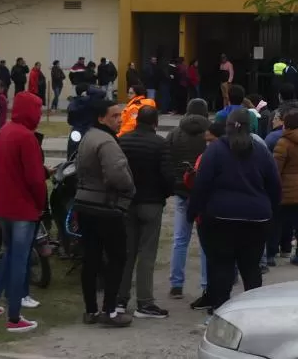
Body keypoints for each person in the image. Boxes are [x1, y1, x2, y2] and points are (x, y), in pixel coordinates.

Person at [187, 109, 280, 316]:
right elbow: (275, 185)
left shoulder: (215, 150)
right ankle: (255, 311)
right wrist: (272, 212)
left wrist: (193, 212)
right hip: (257, 217)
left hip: (220, 218)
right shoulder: (261, 150)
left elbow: (201, 184)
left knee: (222, 266)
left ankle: (221, 311)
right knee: (251, 267)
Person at [0, 91, 46, 333]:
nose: (39, 115)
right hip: (22, 208)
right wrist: (40, 204)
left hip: (3, 206)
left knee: (9, 256)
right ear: (31, 111)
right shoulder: (26, 137)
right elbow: (35, 180)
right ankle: (15, 317)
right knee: (19, 260)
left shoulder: (5, 132)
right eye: (37, 110)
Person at [74, 99, 135, 327]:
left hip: (85, 204)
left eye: (120, 116)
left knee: (91, 258)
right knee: (117, 257)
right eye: (114, 116)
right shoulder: (107, 141)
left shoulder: (89, 136)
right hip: (105, 207)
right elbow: (117, 175)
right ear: (101, 118)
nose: (119, 120)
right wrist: (130, 187)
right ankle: (110, 311)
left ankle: (90, 310)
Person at [116, 106, 174, 318]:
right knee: (147, 254)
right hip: (151, 202)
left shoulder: (123, 140)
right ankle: (145, 303)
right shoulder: (160, 144)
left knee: (127, 253)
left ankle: (120, 300)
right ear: (155, 123)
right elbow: (168, 175)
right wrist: (165, 194)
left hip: (127, 201)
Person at [166, 99, 211, 303]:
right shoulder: (210, 135)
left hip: (181, 190)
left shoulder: (175, 133)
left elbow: (167, 159)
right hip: (204, 192)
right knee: (205, 242)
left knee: (179, 239)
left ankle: (176, 284)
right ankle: (206, 284)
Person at [268, 110, 298, 267]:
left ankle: (271, 254)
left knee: (277, 220)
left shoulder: (284, 142)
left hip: (285, 187)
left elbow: (276, 168)